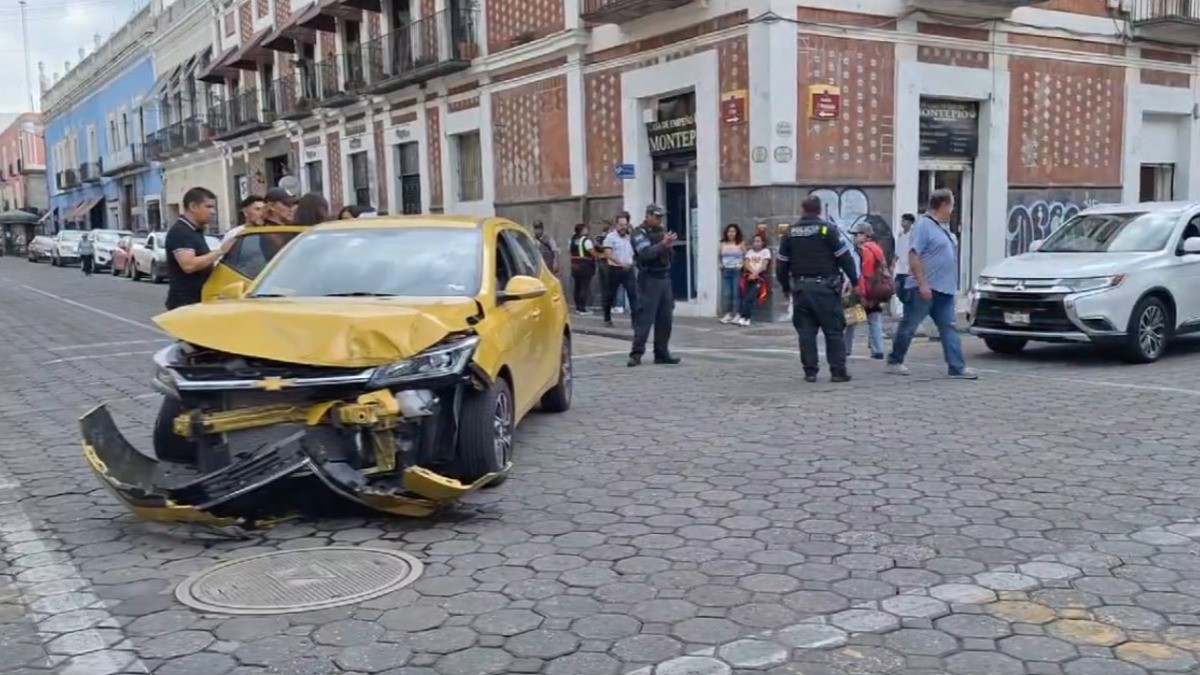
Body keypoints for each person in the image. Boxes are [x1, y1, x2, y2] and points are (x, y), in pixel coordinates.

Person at [887, 188, 977, 379]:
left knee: (948, 327)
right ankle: (895, 360)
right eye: (951, 205)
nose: (953, 209)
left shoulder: (942, 227)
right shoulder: (923, 226)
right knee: (910, 324)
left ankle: (957, 367)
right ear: (943, 205)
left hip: (944, 289)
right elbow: (914, 255)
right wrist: (922, 284)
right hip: (925, 289)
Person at [776, 195, 859, 383]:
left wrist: (785, 287)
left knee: (806, 333)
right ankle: (838, 372)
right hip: (826, 290)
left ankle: (810, 372)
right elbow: (845, 257)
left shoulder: (791, 232)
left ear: (803, 209)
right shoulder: (827, 229)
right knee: (833, 331)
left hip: (801, 290)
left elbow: (781, 264)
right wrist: (855, 281)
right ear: (819, 210)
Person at [164, 187, 234, 310]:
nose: (213, 212)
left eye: (213, 207)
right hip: (184, 305)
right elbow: (188, 265)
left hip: (198, 301)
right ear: (193, 207)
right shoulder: (181, 232)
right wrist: (220, 251)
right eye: (208, 207)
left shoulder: (194, 231)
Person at [628, 204, 680, 367]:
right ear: (648, 215)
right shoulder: (639, 233)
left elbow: (668, 255)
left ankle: (661, 353)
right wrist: (663, 244)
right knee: (645, 318)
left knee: (665, 318)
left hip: (664, 278)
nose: (659, 220)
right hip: (649, 279)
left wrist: (668, 246)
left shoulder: (661, 232)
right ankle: (636, 354)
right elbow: (645, 254)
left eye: (661, 217)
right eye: (657, 217)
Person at [844, 221, 887, 359]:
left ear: (866, 235)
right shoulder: (877, 249)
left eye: (857, 234)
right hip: (876, 290)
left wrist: (860, 292)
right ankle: (878, 350)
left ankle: (846, 349)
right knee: (874, 320)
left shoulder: (865, 250)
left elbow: (864, 274)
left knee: (851, 320)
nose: (855, 237)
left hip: (864, 290)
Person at [602, 215, 637, 327]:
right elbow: (608, 254)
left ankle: (635, 321)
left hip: (628, 270)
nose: (623, 227)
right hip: (615, 269)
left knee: (633, 295)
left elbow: (634, 252)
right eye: (621, 225)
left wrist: (633, 262)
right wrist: (620, 263)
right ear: (616, 225)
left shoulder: (629, 237)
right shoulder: (610, 237)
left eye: (625, 225)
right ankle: (607, 318)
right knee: (610, 295)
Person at [736, 233, 771, 326]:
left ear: (763, 242)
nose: (756, 243)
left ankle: (746, 317)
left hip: (759, 278)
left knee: (750, 297)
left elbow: (764, 265)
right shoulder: (750, 252)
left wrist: (756, 273)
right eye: (755, 241)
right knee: (744, 297)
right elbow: (746, 263)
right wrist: (752, 272)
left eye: (758, 241)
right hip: (748, 277)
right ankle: (743, 316)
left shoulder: (765, 251)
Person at [719, 224, 746, 324]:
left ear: (737, 233)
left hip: (736, 270)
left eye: (733, 231)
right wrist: (720, 264)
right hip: (726, 270)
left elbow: (745, 256)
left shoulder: (740, 243)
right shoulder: (722, 243)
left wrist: (741, 265)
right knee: (727, 293)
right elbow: (719, 256)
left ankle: (737, 314)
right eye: (729, 231)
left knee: (736, 293)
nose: (731, 233)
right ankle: (728, 314)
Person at [568, 223, 596, 314]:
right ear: (582, 230)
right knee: (584, 287)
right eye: (586, 229)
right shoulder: (586, 241)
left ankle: (578, 307)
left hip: (575, 265)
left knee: (577, 286)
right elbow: (592, 252)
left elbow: (570, 251)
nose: (587, 230)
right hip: (585, 266)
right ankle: (582, 308)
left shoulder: (572, 240)